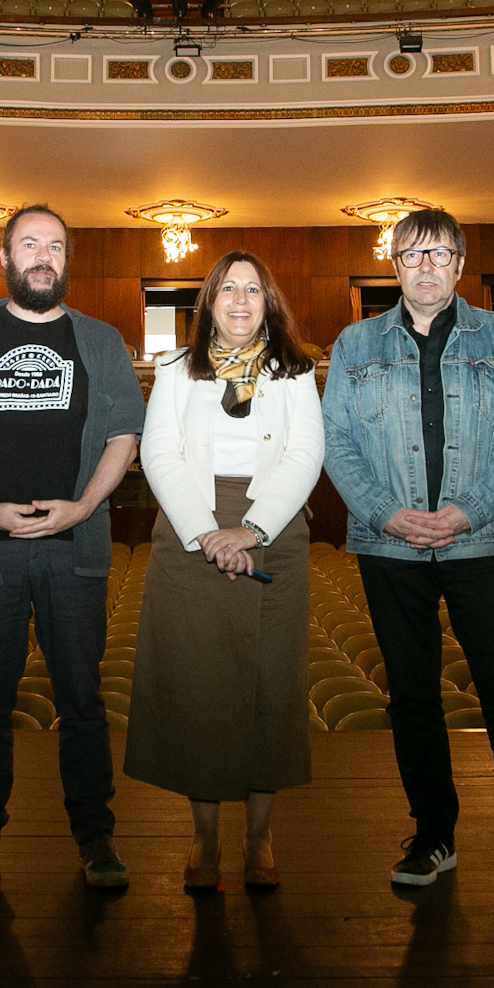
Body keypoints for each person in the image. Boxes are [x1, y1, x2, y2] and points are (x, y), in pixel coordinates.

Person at [320, 208, 494, 905]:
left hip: (479, 541)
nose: (426, 266)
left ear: (460, 264)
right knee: (412, 696)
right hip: (390, 544)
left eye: (439, 253)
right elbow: (336, 440)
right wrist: (385, 512)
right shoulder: (356, 344)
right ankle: (432, 836)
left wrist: (467, 510)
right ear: (393, 266)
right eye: (412, 254)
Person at [0, 204, 146, 890]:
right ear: (5, 258)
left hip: (75, 548)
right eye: (29, 244)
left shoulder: (100, 340)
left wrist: (84, 505)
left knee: (82, 702)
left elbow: (124, 437)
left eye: (55, 246)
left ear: (66, 260)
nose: (43, 256)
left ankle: (95, 839)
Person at [127, 251, 324, 891]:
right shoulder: (174, 369)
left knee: (272, 689)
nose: (240, 300)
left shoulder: (296, 370)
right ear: (209, 303)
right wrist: (206, 531)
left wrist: (252, 529)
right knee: (200, 692)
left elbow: (306, 453)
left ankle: (259, 838)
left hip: (275, 527)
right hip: (192, 532)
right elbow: (159, 452)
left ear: (269, 303)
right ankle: (204, 839)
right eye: (228, 289)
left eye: (253, 290)